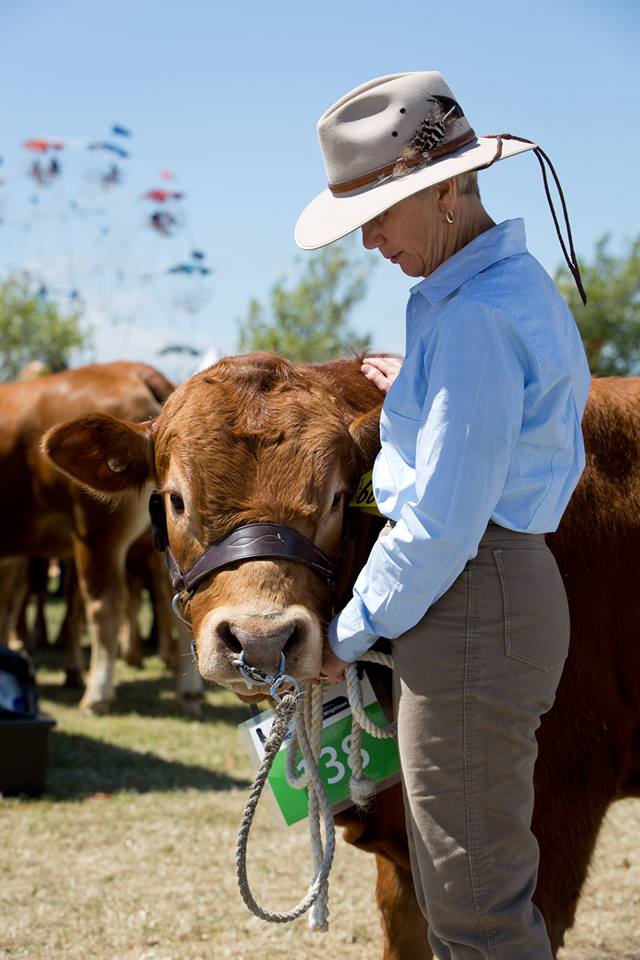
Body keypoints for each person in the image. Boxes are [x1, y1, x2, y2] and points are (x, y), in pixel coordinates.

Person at [295, 71, 591, 959]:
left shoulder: (470, 326)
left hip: (469, 600)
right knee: (469, 889)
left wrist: (345, 633)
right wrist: (418, 394)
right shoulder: (493, 301)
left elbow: (438, 525)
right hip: (491, 594)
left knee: (474, 908)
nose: (372, 240)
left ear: (449, 187)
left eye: (382, 213)